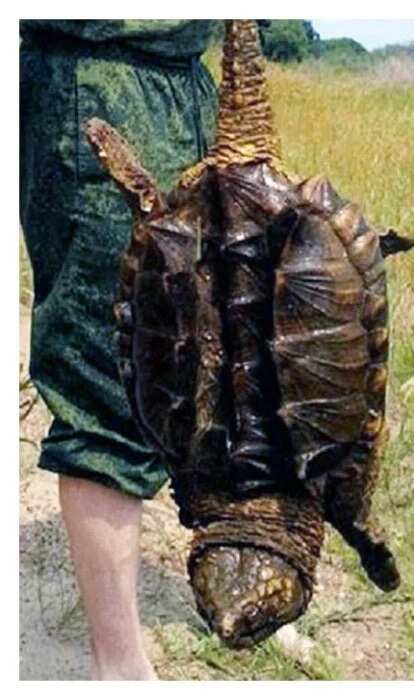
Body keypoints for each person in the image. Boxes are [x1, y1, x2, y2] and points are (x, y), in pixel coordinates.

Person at [19, 20, 218, 680]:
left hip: (189, 77)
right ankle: (121, 669)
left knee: (205, 364)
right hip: (99, 73)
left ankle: (221, 587)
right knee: (107, 379)